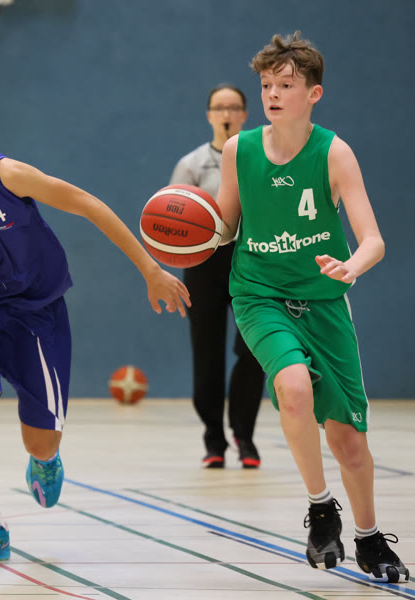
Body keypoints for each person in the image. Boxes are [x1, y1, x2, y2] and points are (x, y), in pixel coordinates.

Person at [0, 88, 189, 563]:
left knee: (40, 441)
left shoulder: (4, 174)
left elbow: (87, 204)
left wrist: (150, 269)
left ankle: (45, 460)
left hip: (37, 310)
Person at [214, 32, 408, 582]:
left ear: (314, 93)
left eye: (286, 85)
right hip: (259, 296)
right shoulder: (239, 151)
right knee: (293, 388)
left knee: (349, 442)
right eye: (266, 85)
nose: (273, 94)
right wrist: (184, 232)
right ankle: (321, 508)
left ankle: (369, 536)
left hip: (324, 302)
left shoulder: (334, 153)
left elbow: (373, 239)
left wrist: (352, 266)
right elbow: (223, 227)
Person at [169, 84, 266, 469]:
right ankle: (213, 438)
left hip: (252, 258)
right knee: (206, 352)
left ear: (245, 114)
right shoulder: (191, 164)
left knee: (252, 350)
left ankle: (245, 436)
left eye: (234, 107)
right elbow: (173, 217)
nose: (227, 113)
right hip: (205, 262)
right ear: (209, 115)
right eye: (219, 107)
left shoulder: (260, 158)